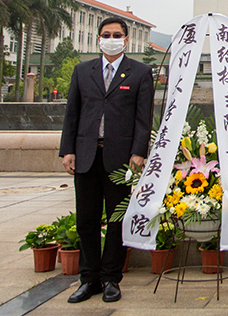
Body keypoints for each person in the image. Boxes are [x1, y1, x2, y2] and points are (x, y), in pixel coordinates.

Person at [59, 17, 153, 303]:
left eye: (116, 35)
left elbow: (143, 118)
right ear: (98, 38)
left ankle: (111, 278)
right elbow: (72, 113)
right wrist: (67, 150)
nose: (111, 39)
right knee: (86, 220)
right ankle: (88, 279)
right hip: (86, 154)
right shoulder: (82, 71)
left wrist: (139, 152)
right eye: (106, 35)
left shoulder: (140, 72)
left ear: (126, 40)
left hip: (120, 158)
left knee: (116, 219)